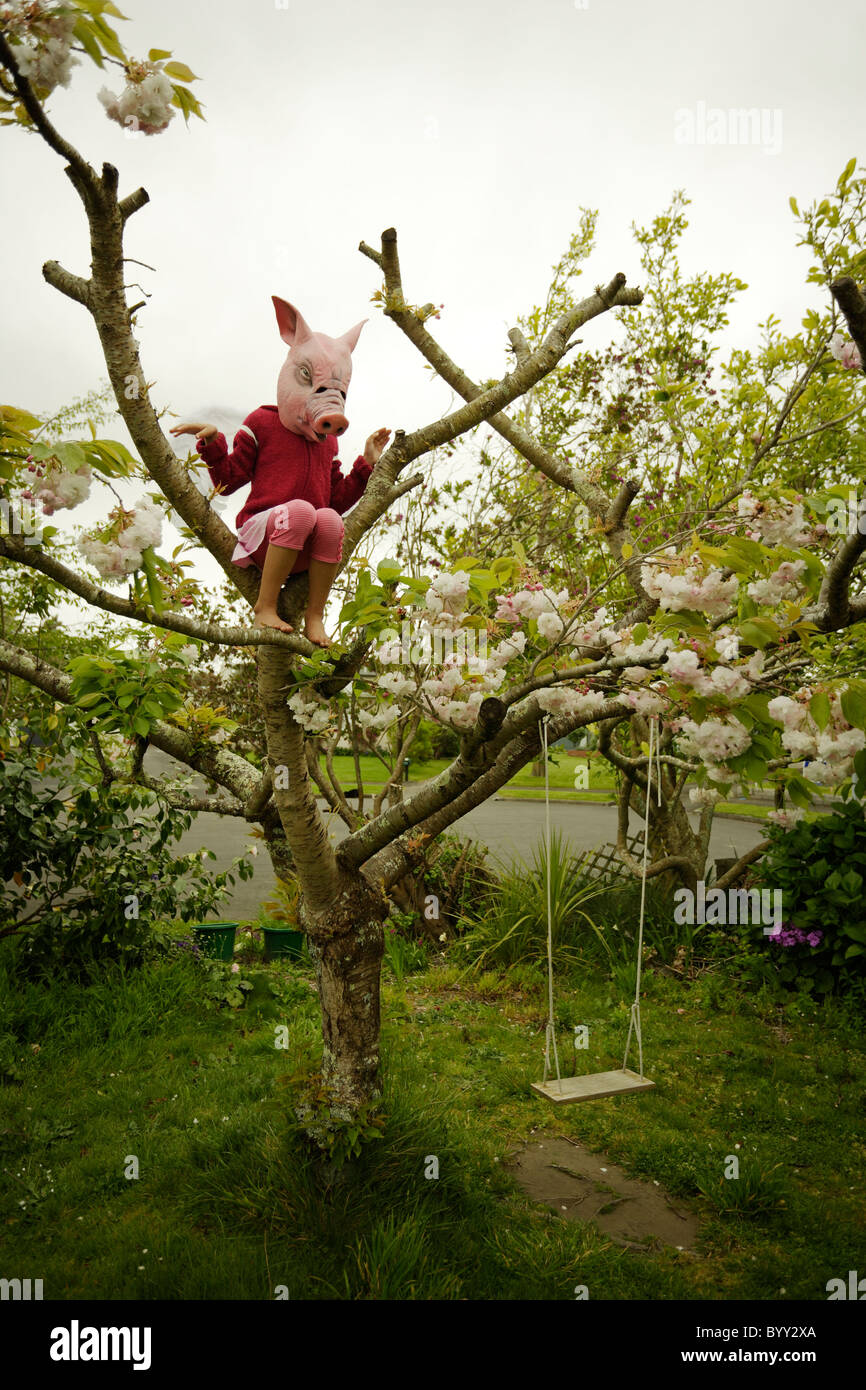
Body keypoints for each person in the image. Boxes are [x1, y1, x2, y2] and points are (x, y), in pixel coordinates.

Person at [170, 415, 390, 646]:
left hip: (305, 545)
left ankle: (315, 615)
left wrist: (366, 463)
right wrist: (213, 441)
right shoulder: (262, 422)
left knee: (331, 520)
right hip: (265, 535)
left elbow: (334, 499)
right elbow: (228, 479)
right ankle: (265, 607)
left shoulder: (327, 438)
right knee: (300, 511)